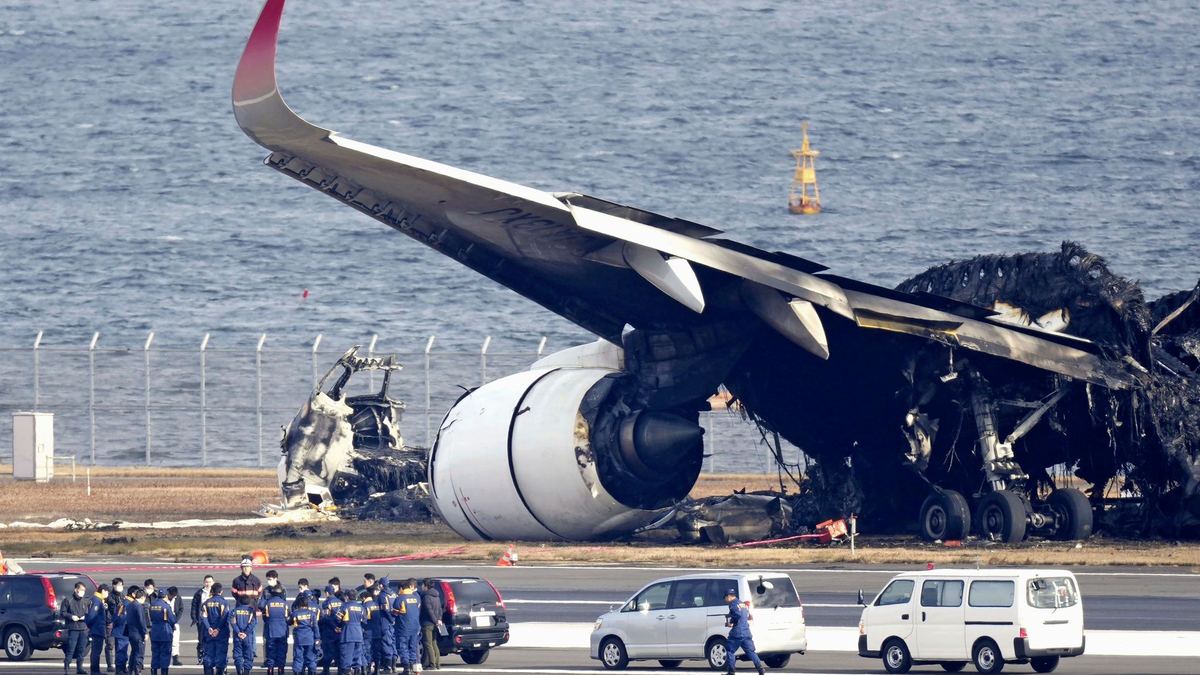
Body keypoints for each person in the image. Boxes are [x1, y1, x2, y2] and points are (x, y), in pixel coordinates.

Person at [723, 588, 764, 675]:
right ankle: (760, 668)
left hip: (737, 632)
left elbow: (737, 615)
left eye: (725, 598)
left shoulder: (733, 605)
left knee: (730, 650)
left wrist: (731, 622)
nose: (725, 600)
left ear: (728, 597)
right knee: (750, 651)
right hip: (746, 631)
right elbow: (746, 615)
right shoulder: (742, 604)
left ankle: (731, 671)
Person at [391, 579, 420, 675]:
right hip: (415, 627)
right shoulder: (415, 598)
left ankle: (406, 669)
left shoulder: (400, 599)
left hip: (403, 627)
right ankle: (411, 667)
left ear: (400, 588)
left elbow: (394, 613)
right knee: (412, 647)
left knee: (402, 647)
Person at [201, 583, 231, 675]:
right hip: (221, 633)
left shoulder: (205, 603)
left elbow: (203, 617)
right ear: (221, 591)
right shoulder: (225, 603)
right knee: (221, 654)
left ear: (212, 591)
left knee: (209, 654)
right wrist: (217, 629)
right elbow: (224, 617)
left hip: (209, 633)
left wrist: (209, 628)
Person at [61, 581, 91, 675]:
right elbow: (63, 612)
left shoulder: (85, 601)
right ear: (76, 590)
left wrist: (85, 618)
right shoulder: (68, 600)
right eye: (81, 590)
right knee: (71, 649)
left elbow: (89, 613)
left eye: (84, 591)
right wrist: (71, 616)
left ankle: (79, 668)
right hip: (73, 628)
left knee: (81, 649)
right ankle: (66, 668)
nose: (82, 592)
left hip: (83, 628)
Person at [262, 584, 291, 675]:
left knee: (270, 652)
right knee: (282, 651)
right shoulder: (285, 604)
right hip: (282, 631)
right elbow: (288, 617)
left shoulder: (267, 603)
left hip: (271, 631)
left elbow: (265, 617)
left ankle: (270, 670)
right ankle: (280, 670)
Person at [318, 580, 344, 675]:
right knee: (338, 651)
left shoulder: (326, 603)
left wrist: (334, 627)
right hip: (339, 630)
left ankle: (326, 670)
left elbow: (326, 618)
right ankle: (340, 670)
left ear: (327, 593)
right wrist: (339, 627)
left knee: (328, 651)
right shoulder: (341, 602)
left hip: (329, 631)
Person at [336, 590, 365, 675]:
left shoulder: (345, 606)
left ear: (347, 597)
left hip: (348, 634)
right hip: (359, 634)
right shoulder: (361, 607)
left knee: (346, 655)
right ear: (356, 597)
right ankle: (357, 671)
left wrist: (341, 626)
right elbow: (364, 621)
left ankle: (346, 672)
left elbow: (338, 619)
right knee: (357, 655)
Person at [290, 595, 320, 675]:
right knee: (311, 657)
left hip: (299, 639)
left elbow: (289, 622)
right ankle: (312, 671)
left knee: (298, 657)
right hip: (310, 638)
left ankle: (297, 672)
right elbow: (315, 627)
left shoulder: (295, 613)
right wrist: (317, 638)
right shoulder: (312, 613)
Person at [148, 588, 176, 675]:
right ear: (165, 596)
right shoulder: (166, 606)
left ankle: (154, 672)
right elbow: (172, 620)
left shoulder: (152, 605)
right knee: (165, 654)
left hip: (155, 632)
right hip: (165, 632)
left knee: (155, 654)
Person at [87, 584, 112, 675]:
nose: (108, 594)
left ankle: (95, 670)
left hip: (98, 628)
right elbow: (91, 616)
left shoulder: (96, 600)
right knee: (96, 651)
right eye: (107, 592)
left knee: (96, 650)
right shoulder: (96, 601)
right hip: (97, 629)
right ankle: (95, 671)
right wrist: (89, 626)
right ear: (103, 591)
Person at [191, 575, 215, 666]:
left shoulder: (215, 592)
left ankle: (211, 657)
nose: (208, 584)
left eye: (210, 582)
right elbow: (194, 606)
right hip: (201, 620)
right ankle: (200, 658)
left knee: (212, 639)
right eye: (206, 582)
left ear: (213, 582)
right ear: (204, 582)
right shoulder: (199, 593)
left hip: (212, 621)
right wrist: (194, 618)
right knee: (201, 639)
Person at [418, 579, 442, 671]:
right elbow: (439, 609)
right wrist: (438, 620)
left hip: (428, 623)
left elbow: (429, 611)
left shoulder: (426, 597)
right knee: (434, 643)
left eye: (423, 585)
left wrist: (435, 620)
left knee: (428, 644)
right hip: (436, 623)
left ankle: (432, 664)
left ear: (426, 586)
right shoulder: (437, 596)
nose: (422, 587)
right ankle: (437, 663)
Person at [230, 598, 258, 675]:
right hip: (248, 637)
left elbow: (233, 623)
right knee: (248, 655)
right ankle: (246, 672)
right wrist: (245, 633)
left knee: (238, 655)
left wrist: (238, 632)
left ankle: (239, 670)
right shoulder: (251, 611)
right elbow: (253, 623)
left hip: (237, 637)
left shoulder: (234, 611)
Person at [126, 589, 149, 675]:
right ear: (142, 597)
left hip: (131, 632)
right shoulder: (138, 606)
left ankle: (130, 669)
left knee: (133, 652)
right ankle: (137, 670)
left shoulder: (130, 605)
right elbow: (141, 620)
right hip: (138, 633)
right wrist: (145, 632)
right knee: (139, 652)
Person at [377, 579, 397, 673]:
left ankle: (387, 667)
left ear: (381, 585)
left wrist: (390, 619)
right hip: (394, 621)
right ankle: (393, 665)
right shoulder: (394, 593)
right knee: (393, 643)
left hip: (385, 621)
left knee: (386, 643)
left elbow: (385, 609)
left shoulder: (382, 595)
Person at [105, 578, 125, 674]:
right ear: (113, 586)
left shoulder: (123, 597)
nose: (120, 587)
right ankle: (110, 665)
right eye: (118, 585)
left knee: (120, 646)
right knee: (110, 644)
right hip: (110, 623)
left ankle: (120, 666)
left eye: (121, 585)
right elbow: (106, 611)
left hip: (120, 624)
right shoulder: (109, 597)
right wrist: (109, 622)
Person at [362, 589, 384, 674]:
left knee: (367, 651)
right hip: (377, 631)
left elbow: (364, 619)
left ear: (364, 598)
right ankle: (377, 670)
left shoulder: (365, 605)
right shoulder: (376, 604)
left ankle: (367, 670)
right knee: (377, 651)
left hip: (368, 631)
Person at [111, 586, 130, 675]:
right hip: (121, 630)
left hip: (124, 631)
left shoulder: (126, 602)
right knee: (121, 651)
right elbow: (119, 617)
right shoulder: (126, 603)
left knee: (124, 651)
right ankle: (119, 669)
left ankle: (123, 667)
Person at [166, 587, 184, 667]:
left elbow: (181, 608)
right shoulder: (164, 598)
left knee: (175, 641)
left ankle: (175, 658)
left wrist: (176, 619)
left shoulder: (178, 598)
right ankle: (165, 658)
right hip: (165, 623)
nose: (174, 597)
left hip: (174, 622)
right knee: (165, 641)